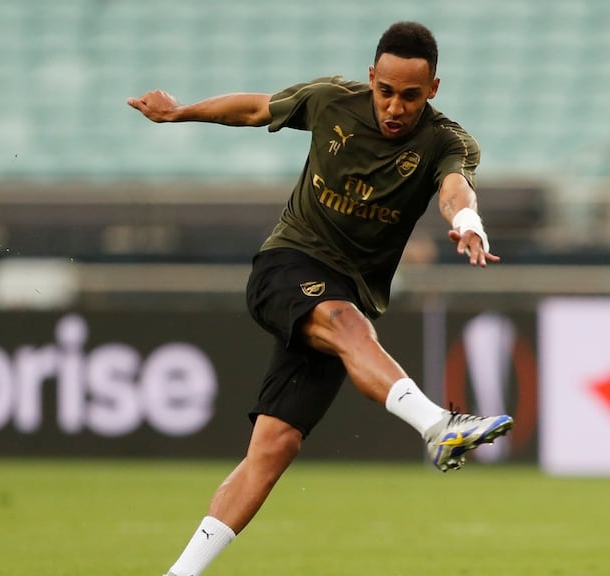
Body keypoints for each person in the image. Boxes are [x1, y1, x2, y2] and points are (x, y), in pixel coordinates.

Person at [127, 21, 513, 576]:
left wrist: (469, 221)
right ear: (371, 77)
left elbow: (456, 189)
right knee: (349, 326)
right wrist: (180, 111)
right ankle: (437, 426)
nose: (395, 107)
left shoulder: (446, 142)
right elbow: (258, 108)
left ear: (432, 90)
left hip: (343, 296)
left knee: (275, 446)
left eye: (410, 95)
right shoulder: (333, 100)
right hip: (286, 267)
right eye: (386, 91)